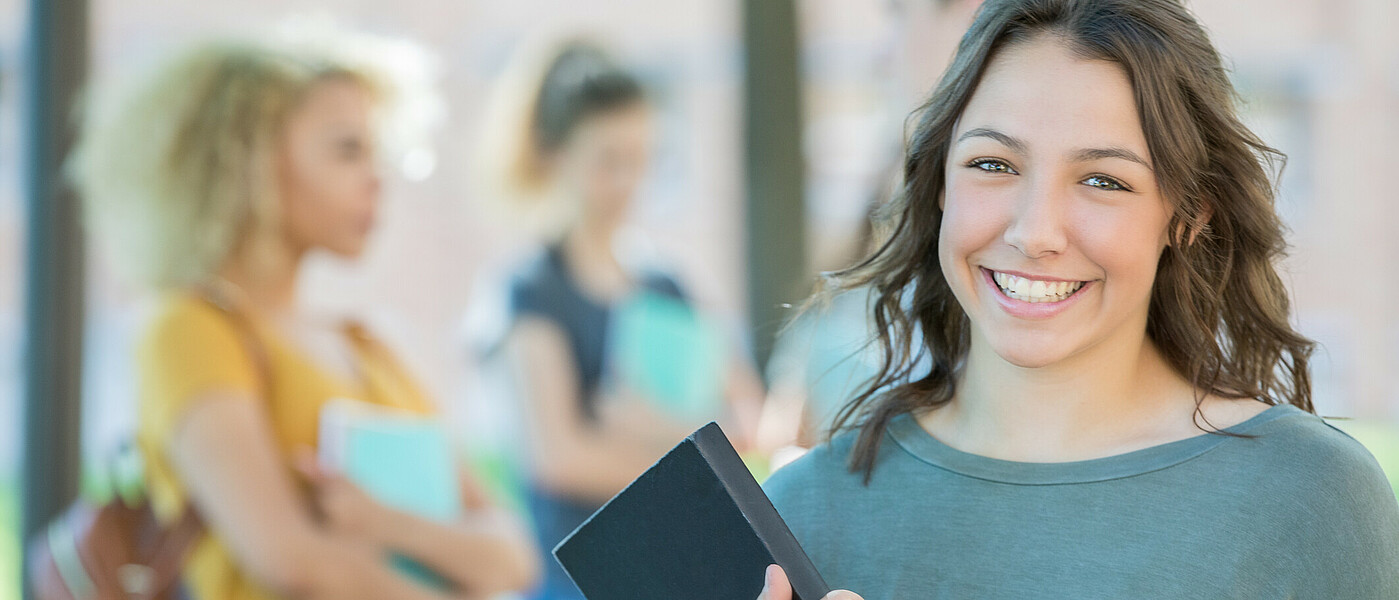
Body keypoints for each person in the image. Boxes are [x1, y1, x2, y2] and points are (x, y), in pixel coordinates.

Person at [756, 0, 1399, 598]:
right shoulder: (799, 519)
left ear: (1188, 217)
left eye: (1102, 180)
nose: (1035, 233)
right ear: (940, 180)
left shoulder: (1311, 502)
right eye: (993, 164)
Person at [71, 32, 539, 600]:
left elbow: (513, 553)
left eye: (376, 151)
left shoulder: (370, 346)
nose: (377, 178)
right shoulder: (190, 327)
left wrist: (388, 524)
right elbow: (289, 560)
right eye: (347, 150)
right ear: (249, 162)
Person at [478, 39, 765, 599]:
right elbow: (558, 458)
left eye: (640, 159)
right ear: (556, 156)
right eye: (607, 161)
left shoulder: (668, 285)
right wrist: (686, 453)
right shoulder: (533, 289)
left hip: (676, 570)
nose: (627, 181)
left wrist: (648, 427)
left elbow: (745, 422)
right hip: (576, 580)